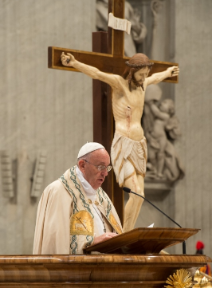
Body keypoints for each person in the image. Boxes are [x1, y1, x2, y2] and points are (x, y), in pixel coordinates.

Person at [61, 52, 179, 232]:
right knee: (136, 193)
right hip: (124, 144)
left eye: (145, 74)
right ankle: (123, 234)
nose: (144, 78)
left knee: (141, 195)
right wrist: (75, 63)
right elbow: (97, 74)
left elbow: (156, 77)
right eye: (141, 74)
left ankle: (126, 233)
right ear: (132, 71)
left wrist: (168, 72)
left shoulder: (144, 85)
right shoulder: (119, 85)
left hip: (140, 145)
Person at [33, 142, 122, 255]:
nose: (105, 173)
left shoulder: (102, 198)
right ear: (82, 165)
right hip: (75, 271)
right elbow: (55, 243)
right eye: (100, 167)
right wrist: (92, 242)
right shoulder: (58, 191)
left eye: (107, 167)